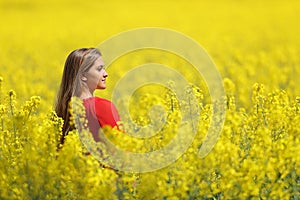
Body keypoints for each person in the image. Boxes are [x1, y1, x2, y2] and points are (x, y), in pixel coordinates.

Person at [55, 48, 121, 145]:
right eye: (99, 69)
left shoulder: (63, 111)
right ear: (82, 75)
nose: (106, 74)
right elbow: (123, 150)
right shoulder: (102, 107)